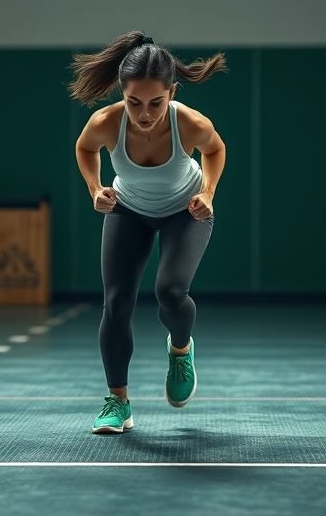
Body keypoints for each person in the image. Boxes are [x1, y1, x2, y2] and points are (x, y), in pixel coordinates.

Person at [70, 31, 227, 434]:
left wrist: (208, 193)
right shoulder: (106, 123)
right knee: (116, 302)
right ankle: (117, 402)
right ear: (122, 93)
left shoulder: (189, 122)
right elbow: (85, 148)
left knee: (170, 293)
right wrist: (95, 188)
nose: (144, 113)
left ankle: (181, 349)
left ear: (171, 92)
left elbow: (215, 149)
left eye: (155, 102)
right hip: (128, 210)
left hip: (185, 210)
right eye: (134, 102)